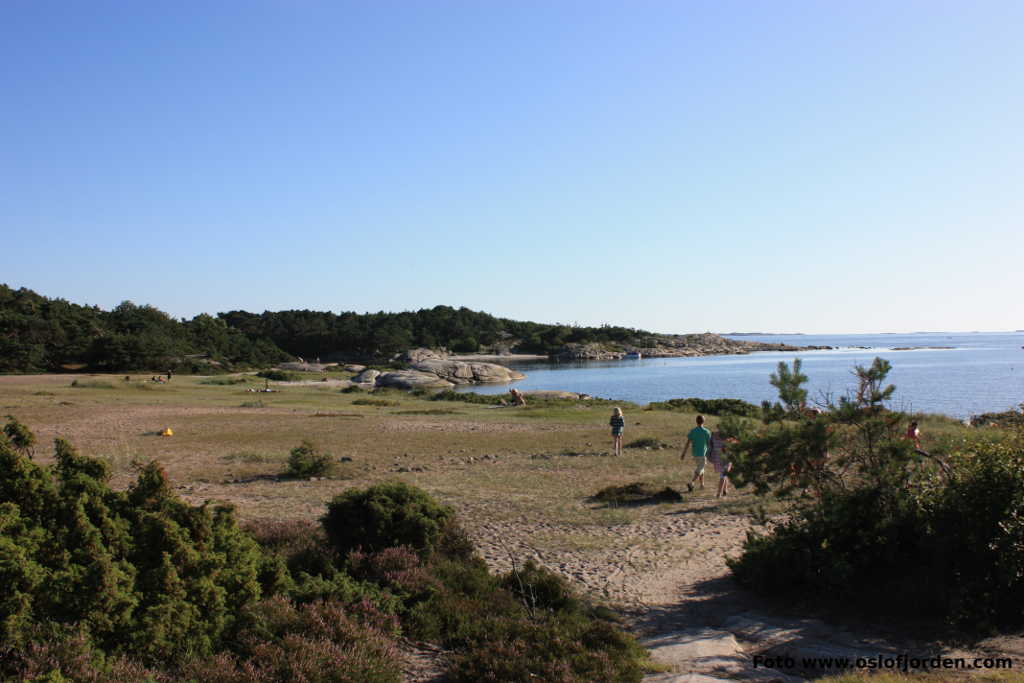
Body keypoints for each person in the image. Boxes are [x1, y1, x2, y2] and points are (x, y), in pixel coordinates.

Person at [681, 415, 712, 492]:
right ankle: (691, 482)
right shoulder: (706, 431)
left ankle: (702, 485)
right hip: (702, 454)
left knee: (701, 468)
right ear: (703, 421)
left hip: (695, 454)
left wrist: (683, 453)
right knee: (700, 469)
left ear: (696, 421)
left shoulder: (693, 431)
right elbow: (709, 444)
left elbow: (687, 443)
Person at [707, 430, 733, 497]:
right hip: (725, 459)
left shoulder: (713, 436)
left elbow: (709, 446)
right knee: (723, 476)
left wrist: (710, 456)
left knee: (724, 474)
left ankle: (725, 490)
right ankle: (719, 493)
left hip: (717, 458)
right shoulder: (728, 437)